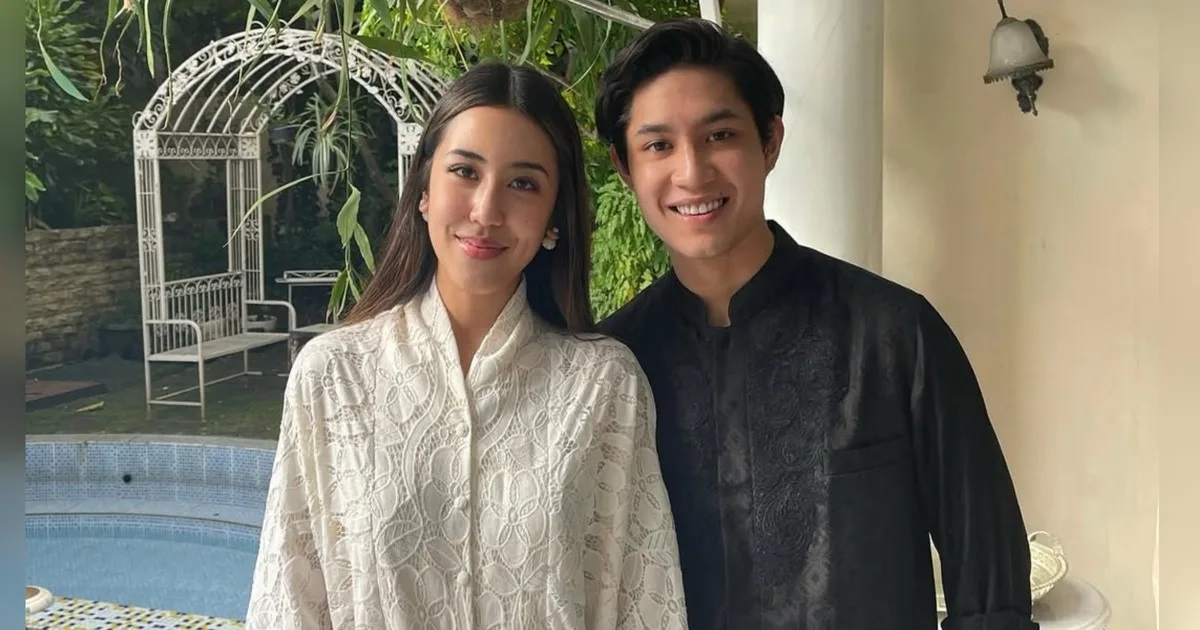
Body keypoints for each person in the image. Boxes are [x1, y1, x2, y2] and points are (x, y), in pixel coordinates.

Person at [593, 18, 1037, 630]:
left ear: (770, 142)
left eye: (719, 135)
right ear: (624, 167)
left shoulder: (894, 336)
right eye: (658, 146)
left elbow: (990, 584)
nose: (692, 172)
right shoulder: (616, 367)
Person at [246, 62, 688, 630]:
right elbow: (288, 604)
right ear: (424, 192)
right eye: (464, 171)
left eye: (523, 183)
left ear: (554, 217)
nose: (486, 211)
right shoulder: (333, 378)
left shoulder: (602, 384)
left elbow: (643, 604)